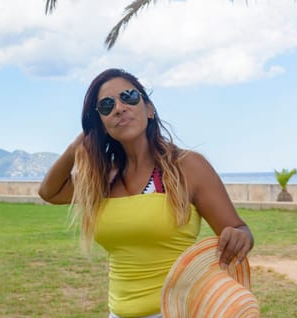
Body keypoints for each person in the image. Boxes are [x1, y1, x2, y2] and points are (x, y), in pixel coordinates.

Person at [38, 68, 254, 318]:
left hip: (175, 311)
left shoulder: (186, 167)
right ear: (102, 125)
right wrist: (77, 145)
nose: (119, 108)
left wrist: (239, 237)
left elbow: (240, 230)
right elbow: (49, 192)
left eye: (128, 96)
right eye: (107, 106)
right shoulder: (103, 178)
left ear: (149, 109)